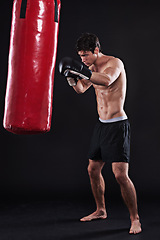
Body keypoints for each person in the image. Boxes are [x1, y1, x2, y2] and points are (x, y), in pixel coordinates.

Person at [59, 33, 142, 234]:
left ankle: (135, 219)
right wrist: (71, 78)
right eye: (80, 56)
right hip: (101, 125)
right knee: (92, 169)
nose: (83, 60)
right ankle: (100, 210)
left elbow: (106, 80)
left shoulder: (115, 63)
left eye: (86, 55)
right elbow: (81, 89)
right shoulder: (90, 68)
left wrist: (81, 71)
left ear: (96, 50)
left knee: (120, 175)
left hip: (117, 125)